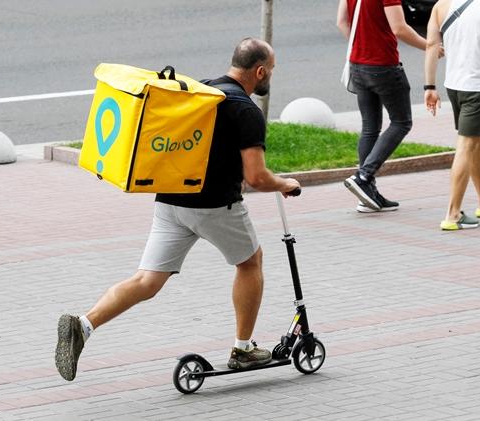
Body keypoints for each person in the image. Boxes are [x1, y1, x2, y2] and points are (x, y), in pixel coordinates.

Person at [55, 37, 301, 381]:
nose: (271, 75)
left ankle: (83, 325)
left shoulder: (203, 91)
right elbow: (257, 177)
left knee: (147, 280)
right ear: (260, 71)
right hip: (215, 206)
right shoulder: (246, 111)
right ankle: (243, 349)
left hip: (171, 199)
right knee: (250, 262)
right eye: (271, 70)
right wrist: (285, 183)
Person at [424, 0, 480, 230]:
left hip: (453, 86)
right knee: (466, 146)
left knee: (476, 144)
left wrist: (429, 87)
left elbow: (431, 45)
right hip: (477, 88)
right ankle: (452, 214)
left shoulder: (441, 6)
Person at [337, 0, 427, 213]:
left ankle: (366, 194)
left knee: (370, 128)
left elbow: (342, 22)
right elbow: (399, 28)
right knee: (401, 122)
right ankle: (363, 176)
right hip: (383, 66)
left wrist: (361, 46)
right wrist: (429, 45)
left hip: (358, 65)